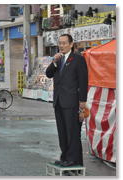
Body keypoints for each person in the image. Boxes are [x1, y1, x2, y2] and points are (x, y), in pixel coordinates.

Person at [46, 34, 88, 167]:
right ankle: (64, 156)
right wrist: (53, 62)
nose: (61, 45)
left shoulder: (78, 59)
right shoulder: (58, 59)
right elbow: (48, 74)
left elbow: (83, 81)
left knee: (72, 131)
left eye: (64, 43)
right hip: (58, 101)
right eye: (60, 43)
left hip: (71, 101)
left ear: (71, 44)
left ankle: (73, 159)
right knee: (62, 131)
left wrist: (82, 102)